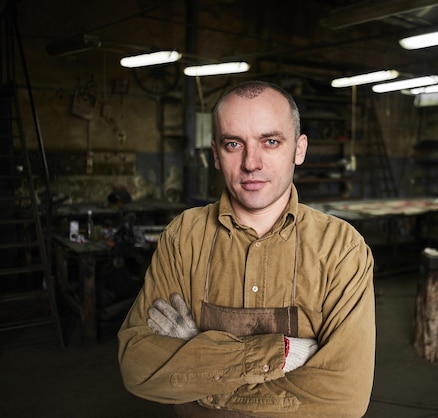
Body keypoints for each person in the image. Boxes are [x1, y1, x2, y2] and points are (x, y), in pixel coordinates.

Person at [118, 80, 375, 417]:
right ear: (215, 154)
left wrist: (198, 356)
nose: (251, 163)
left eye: (270, 142)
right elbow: (137, 367)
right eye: (233, 144)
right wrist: (281, 355)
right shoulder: (184, 237)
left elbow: (344, 398)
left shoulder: (342, 249)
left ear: (299, 149)